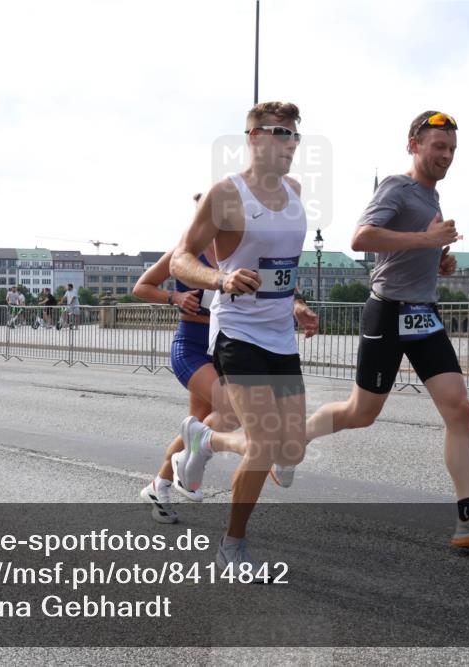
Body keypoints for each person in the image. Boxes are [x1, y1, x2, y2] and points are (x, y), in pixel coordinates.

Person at [305, 111, 469, 549]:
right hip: (387, 313)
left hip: (424, 315)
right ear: (414, 145)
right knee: (360, 414)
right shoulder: (396, 187)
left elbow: (409, 252)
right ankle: (295, 439)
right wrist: (427, 242)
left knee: (458, 409)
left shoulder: (432, 199)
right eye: (438, 146)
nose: (446, 156)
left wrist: (438, 261)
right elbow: (362, 238)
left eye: (452, 150)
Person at [169, 102, 319, 571]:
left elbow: (281, 268)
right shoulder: (227, 195)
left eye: (294, 135)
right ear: (253, 137)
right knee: (265, 443)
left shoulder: (294, 191)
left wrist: (294, 302)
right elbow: (180, 259)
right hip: (238, 332)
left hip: (280, 336)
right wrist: (221, 280)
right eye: (278, 133)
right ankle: (232, 547)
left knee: (291, 448)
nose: (289, 142)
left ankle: (202, 440)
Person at [133, 194, 245, 524]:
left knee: (193, 431)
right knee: (233, 408)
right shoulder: (187, 252)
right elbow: (143, 287)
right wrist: (176, 296)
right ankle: (181, 472)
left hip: (221, 350)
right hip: (191, 349)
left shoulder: (238, 255)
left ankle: (159, 485)